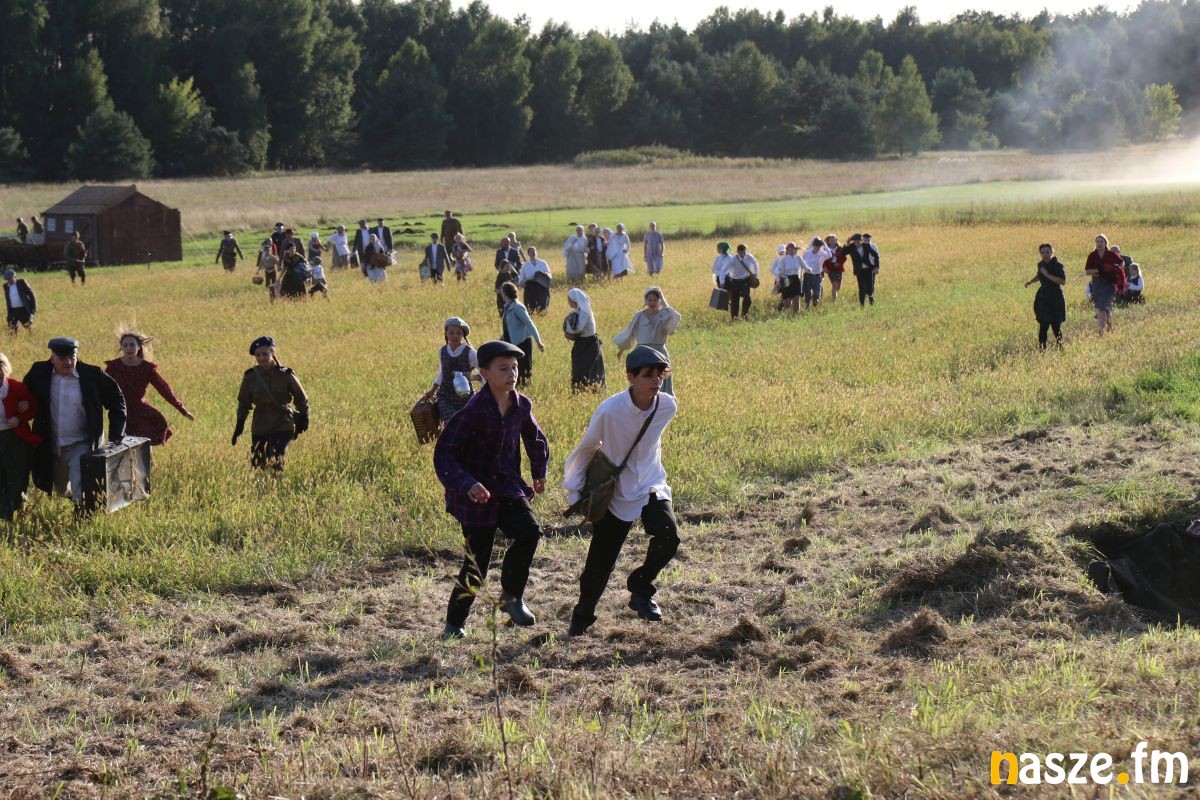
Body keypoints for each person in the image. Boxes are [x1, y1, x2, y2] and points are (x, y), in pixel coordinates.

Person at [434, 339, 549, 640]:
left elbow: (535, 437)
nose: (512, 374)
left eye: (515, 367)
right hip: (476, 494)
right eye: (503, 369)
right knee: (477, 565)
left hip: (506, 486)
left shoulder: (521, 405)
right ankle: (454, 624)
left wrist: (539, 470)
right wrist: (466, 483)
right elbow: (444, 454)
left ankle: (511, 596)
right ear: (484, 373)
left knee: (529, 532)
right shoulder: (472, 411)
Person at [563, 345, 679, 635]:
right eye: (648, 374)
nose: (656, 380)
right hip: (616, 491)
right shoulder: (610, 410)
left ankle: (641, 588)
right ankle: (582, 616)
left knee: (669, 536)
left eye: (660, 374)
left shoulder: (667, 406)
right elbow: (587, 448)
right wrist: (575, 490)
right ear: (630, 377)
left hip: (651, 482)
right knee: (600, 562)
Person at [23, 337, 127, 509]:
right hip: (52, 445)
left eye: (72, 357)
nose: (69, 362)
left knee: (82, 486)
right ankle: (74, 499)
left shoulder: (92, 375)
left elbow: (117, 399)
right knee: (61, 489)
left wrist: (116, 433)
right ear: (52, 358)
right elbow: (23, 395)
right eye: (62, 358)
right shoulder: (39, 373)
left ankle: (84, 516)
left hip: (82, 443)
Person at [232, 336, 309, 473]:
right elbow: (243, 403)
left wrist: (304, 417)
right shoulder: (250, 377)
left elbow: (301, 398)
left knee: (276, 460)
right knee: (258, 465)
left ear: (272, 352)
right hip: (260, 427)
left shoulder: (285, 374)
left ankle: (277, 484)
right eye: (258, 355)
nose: (261, 358)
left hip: (282, 424)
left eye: (264, 354)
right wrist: (240, 424)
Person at [104, 331, 194, 445]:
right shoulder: (114, 367)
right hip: (120, 412)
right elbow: (101, 388)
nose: (129, 348)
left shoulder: (146, 368)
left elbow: (164, 389)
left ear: (139, 347)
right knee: (120, 446)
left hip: (141, 413)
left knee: (143, 445)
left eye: (132, 345)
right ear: (121, 348)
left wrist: (183, 410)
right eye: (125, 345)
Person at [613, 287, 682, 395]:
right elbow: (629, 332)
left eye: (655, 300)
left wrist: (663, 298)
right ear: (646, 300)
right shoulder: (639, 316)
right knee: (643, 378)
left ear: (659, 300)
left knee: (661, 380)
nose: (652, 303)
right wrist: (622, 348)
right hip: (642, 352)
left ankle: (663, 403)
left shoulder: (664, 314)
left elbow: (674, 316)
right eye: (650, 300)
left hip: (660, 353)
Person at [0, 352, 40, 521]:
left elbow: (34, 408)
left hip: (15, 438)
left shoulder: (17, 387)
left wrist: (19, 417)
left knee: (17, 475)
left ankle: (11, 512)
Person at [431, 316, 480, 422]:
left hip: (464, 398)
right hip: (445, 396)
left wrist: (471, 377)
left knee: (463, 424)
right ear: (446, 334)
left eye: (458, 333)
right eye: (451, 332)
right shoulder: (442, 351)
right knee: (452, 422)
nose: (455, 336)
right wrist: (433, 390)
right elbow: (442, 373)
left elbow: (485, 372)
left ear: (463, 335)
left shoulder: (470, 353)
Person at [499, 282, 544, 389]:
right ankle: (516, 389)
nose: (501, 294)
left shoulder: (517, 307)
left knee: (523, 370)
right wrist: (500, 341)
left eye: (502, 291)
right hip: (511, 344)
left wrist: (538, 341)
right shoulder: (507, 307)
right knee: (512, 368)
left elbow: (530, 324)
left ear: (505, 293)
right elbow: (509, 328)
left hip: (522, 343)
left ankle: (524, 390)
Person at [1024, 243, 1067, 350]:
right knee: (1043, 324)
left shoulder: (1057, 265)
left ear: (1052, 252)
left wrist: (1047, 275)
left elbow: (1062, 281)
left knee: (1055, 325)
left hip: (1056, 296)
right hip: (1043, 296)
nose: (1045, 254)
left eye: (1047, 252)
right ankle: (1042, 349)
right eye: (1042, 252)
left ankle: (1060, 347)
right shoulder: (1040, 265)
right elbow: (1039, 275)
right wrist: (1030, 281)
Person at [563, 287, 605, 393]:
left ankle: (590, 391)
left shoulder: (584, 312)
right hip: (582, 344)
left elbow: (577, 329)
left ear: (574, 300)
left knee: (588, 370)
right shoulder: (579, 311)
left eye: (569, 300)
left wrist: (567, 325)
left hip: (589, 344)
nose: (568, 302)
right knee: (579, 369)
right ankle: (580, 391)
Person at [1084, 233, 1126, 335]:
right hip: (1097, 283)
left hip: (1109, 284)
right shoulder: (1092, 256)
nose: (1099, 243)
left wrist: (1113, 270)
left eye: (1101, 241)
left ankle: (1101, 330)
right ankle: (1110, 328)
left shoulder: (1111, 255)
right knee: (1104, 308)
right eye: (1097, 241)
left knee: (1101, 306)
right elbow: (1087, 271)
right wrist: (1100, 270)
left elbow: (1121, 263)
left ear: (1105, 243)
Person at [724, 244, 759, 320]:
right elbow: (724, 269)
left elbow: (755, 263)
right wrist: (722, 280)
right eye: (741, 252)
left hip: (745, 281)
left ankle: (744, 315)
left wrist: (755, 275)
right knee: (735, 301)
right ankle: (734, 317)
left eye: (744, 251)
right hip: (735, 282)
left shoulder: (749, 256)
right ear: (738, 251)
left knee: (747, 299)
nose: (743, 253)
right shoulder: (733, 259)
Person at [771, 242, 804, 313]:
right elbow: (776, 270)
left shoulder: (798, 258)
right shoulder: (780, 259)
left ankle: (795, 315)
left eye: (793, 249)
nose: (782, 254)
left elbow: (802, 268)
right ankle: (783, 306)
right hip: (784, 280)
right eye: (781, 253)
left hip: (795, 280)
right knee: (788, 303)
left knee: (796, 300)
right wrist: (778, 281)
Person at [518, 246, 552, 313]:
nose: (533, 253)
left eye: (534, 251)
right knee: (531, 305)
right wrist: (523, 282)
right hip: (530, 287)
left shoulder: (543, 263)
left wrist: (544, 274)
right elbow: (521, 278)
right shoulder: (525, 265)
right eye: (531, 252)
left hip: (541, 286)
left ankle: (541, 316)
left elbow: (549, 274)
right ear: (528, 254)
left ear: (536, 252)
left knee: (542, 304)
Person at [800, 237, 830, 309]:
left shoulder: (822, 253)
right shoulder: (807, 253)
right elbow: (801, 262)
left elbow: (830, 255)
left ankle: (815, 305)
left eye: (819, 246)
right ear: (813, 246)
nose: (818, 248)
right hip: (808, 276)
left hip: (817, 276)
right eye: (816, 246)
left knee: (816, 294)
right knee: (808, 293)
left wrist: (824, 244)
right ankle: (807, 306)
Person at [5, 270, 36, 335]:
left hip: (23, 309)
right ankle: (14, 340)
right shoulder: (6, 286)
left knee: (28, 327)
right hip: (12, 311)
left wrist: (33, 307)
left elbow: (31, 294)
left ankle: (31, 339)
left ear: (15, 277)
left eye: (10, 279)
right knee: (11, 329)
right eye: (7, 279)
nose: (8, 281)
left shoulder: (22, 283)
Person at [858, 232, 880, 306]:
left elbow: (877, 257)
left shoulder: (873, 246)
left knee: (871, 284)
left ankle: (871, 298)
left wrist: (877, 267)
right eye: (865, 238)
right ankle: (863, 301)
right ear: (863, 239)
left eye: (868, 238)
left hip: (871, 268)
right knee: (863, 285)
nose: (867, 239)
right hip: (862, 269)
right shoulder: (860, 246)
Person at [822, 234, 846, 301]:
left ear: (836, 240)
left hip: (839, 268)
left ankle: (835, 294)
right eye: (830, 240)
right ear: (828, 241)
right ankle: (834, 301)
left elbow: (844, 258)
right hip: (830, 269)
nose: (832, 241)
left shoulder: (840, 248)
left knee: (838, 286)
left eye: (833, 240)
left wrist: (839, 263)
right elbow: (822, 259)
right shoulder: (825, 249)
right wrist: (824, 267)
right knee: (834, 284)